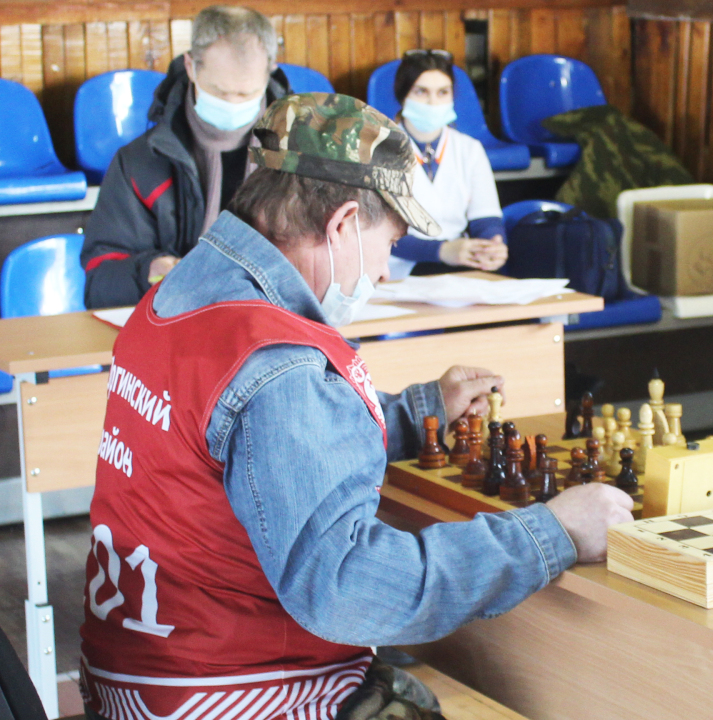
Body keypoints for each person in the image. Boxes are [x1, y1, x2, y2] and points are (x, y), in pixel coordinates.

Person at [78, 93, 634, 720]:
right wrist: (552, 532)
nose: (388, 273)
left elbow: (249, 443)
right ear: (341, 225)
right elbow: (348, 586)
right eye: (389, 242)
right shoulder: (278, 361)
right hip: (228, 688)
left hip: (131, 673)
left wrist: (415, 412)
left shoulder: (186, 291)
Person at [80, 5, 291, 308]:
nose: (232, 103)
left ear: (270, 70)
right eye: (220, 92)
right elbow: (100, 284)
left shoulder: (299, 154)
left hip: (277, 331)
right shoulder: (140, 163)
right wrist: (148, 271)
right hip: (177, 329)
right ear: (191, 67)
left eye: (246, 94)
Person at [386, 48, 507, 279]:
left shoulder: (469, 149)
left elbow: (486, 218)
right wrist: (440, 251)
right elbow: (373, 235)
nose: (433, 102)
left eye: (443, 92)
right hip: (400, 267)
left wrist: (493, 245)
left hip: (458, 261)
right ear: (403, 96)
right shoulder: (379, 150)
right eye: (421, 92)